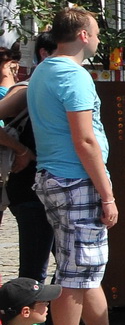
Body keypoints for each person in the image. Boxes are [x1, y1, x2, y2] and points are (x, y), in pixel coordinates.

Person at [27, 7, 125, 325]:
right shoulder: (73, 75)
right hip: (76, 181)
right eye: (96, 32)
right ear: (83, 35)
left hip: (54, 177)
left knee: (85, 270)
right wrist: (108, 193)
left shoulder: (43, 70)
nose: (99, 38)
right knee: (73, 276)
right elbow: (84, 139)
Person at [0, 32, 55, 283]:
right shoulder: (27, 89)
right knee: (34, 273)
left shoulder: (59, 86)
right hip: (29, 191)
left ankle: (48, 319)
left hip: (54, 189)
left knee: (72, 266)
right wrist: (21, 150)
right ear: (44, 54)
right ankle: (27, 320)